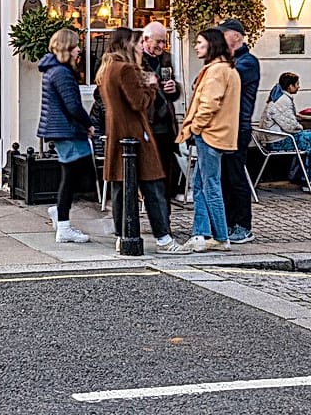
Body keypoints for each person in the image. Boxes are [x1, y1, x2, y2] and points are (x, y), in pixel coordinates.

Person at [96, 27, 174, 253]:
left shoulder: (108, 68)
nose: (142, 47)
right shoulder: (126, 69)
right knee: (153, 186)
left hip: (118, 134)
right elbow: (139, 103)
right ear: (128, 44)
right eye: (139, 43)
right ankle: (163, 238)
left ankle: (123, 235)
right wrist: (151, 85)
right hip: (135, 134)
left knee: (121, 189)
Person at [170, 27, 240, 254]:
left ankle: (220, 236)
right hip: (216, 134)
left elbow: (209, 104)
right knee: (200, 184)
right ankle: (201, 234)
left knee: (210, 185)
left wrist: (195, 128)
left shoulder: (216, 71)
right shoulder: (226, 69)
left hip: (210, 135)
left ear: (211, 44)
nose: (196, 46)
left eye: (200, 42)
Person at [36, 28, 94, 244]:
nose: (79, 50)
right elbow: (73, 105)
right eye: (75, 46)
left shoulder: (53, 69)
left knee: (74, 175)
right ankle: (63, 225)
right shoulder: (61, 72)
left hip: (63, 130)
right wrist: (88, 124)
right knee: (75, 177)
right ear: (66, 48)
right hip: (67, 131)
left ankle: (59, 211)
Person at [218, 18, 259, 245]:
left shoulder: (248, 62)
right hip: (226, 126)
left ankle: (243, 226)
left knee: (236, 177)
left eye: (224, 34)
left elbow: (223, 82)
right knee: (225, 177)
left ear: (236, 35)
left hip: (238, 127)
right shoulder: (229, 62)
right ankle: (229, 222)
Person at [257, 73, 311, 192]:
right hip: (277, 141)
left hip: (272, 139)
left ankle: (306, 173)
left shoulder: (279, 97)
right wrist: (301, 127)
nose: (298, 87)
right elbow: (291, 127)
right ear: (290, 86)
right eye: (297, 84)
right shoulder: (284, 100)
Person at [139, 21, 184, 205]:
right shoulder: (135, 59)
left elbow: (174, 92)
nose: (161, 45)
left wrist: (174, 88)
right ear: (145, 39)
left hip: (166, 124)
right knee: (149, 172)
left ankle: (165, 213)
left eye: (164, 41)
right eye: (158, 41)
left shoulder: (166, 59)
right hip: (146, 125)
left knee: (166, 170)